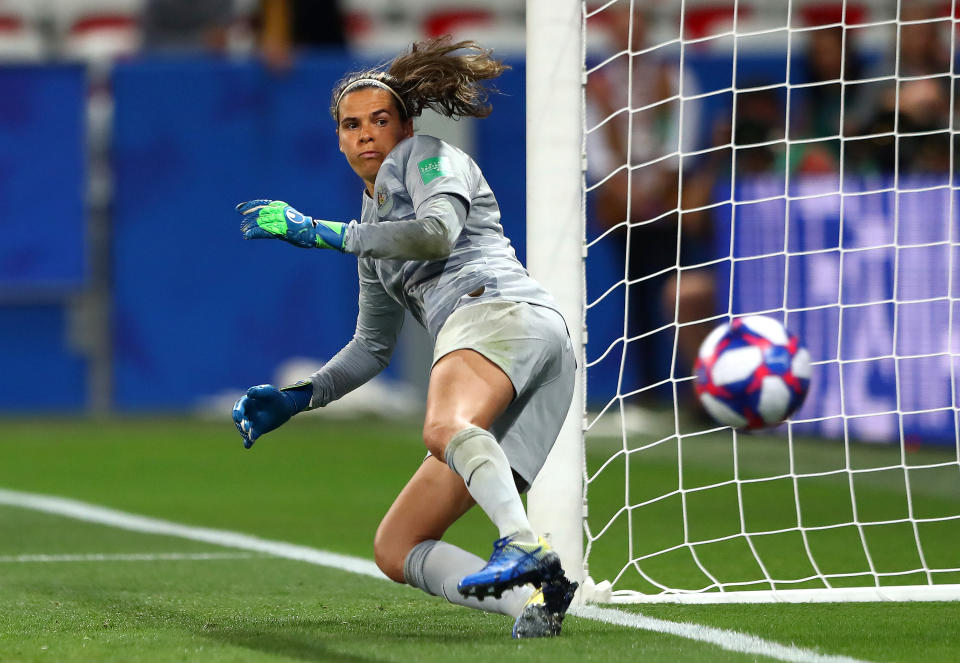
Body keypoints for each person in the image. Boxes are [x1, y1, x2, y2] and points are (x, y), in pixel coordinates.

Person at [230, 37, 578, 639]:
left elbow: (438, 233)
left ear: (406, 125)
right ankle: (534, 598)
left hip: (496, 311)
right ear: (338, 140)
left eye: (379, 120)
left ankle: (521, 543)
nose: (366, 134)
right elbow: (371, 347)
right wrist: (298, 396)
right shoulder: (370, 232)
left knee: (444, 428)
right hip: (531, 349)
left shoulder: (427, 156)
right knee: (398, 545)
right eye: (351, 125)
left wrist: (318, 232)